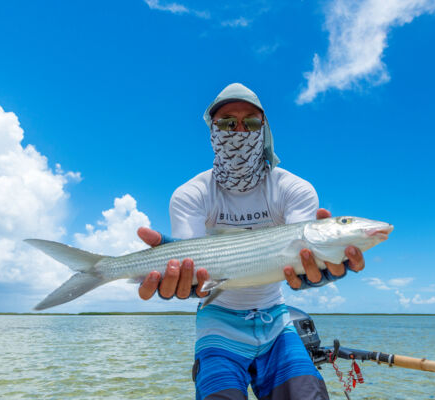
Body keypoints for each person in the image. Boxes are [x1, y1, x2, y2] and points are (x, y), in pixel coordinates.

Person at [136, 83, 365, 400]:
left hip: (277, 326)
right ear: (212, 130)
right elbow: (195, 269)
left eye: (252, 122)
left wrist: (319, 269)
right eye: (227, 122)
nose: (239, 131)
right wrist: (179, 279)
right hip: (217, 330)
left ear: (265, 130)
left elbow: (301, 256)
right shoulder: (190, 194)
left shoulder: (294, 189)